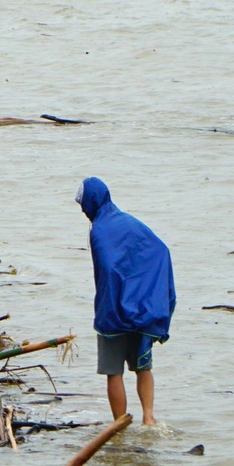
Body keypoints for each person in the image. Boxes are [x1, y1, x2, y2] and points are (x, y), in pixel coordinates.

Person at [77, 176, 174, 425]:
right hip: (141, 310)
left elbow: (108, 269)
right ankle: (149, 418)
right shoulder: (130, 222)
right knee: (143, 367)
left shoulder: (98, 230)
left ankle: (119, 424)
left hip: (112, 312)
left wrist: (116, 301)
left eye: (83, 203)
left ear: (91, 202)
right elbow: (159, 250)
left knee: (113, 372)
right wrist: (144, 296)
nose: (82, 209)